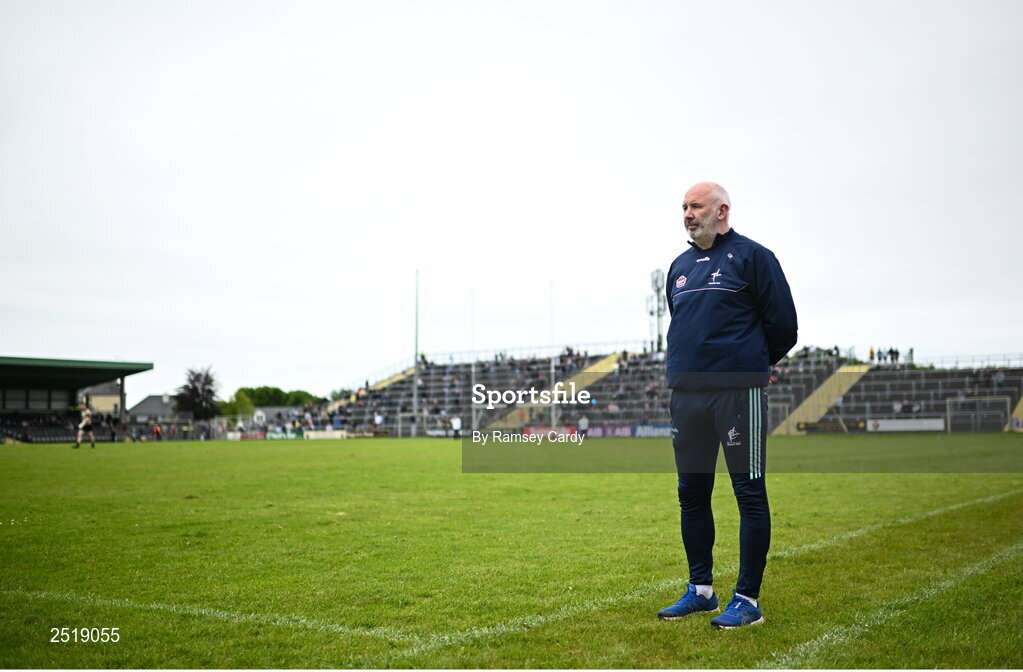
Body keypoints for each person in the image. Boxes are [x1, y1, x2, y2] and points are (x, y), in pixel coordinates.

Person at [658, 182, 797, 629]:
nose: (687, 213)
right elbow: (682, 325)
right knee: (691, 494)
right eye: (683, 207)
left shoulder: (754, 258)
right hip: (687, 397)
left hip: (739, 394)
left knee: (748, 495)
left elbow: (784, 327)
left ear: (721, 211)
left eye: (695, 206)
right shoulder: (678, 267)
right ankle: (701, 590)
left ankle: (747, 601)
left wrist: (750, 366)